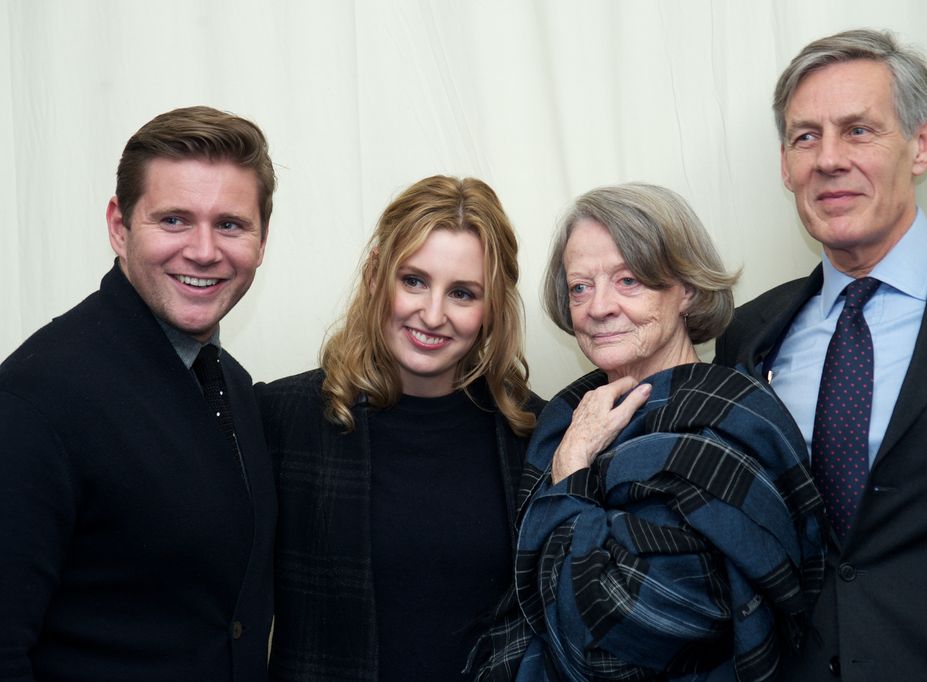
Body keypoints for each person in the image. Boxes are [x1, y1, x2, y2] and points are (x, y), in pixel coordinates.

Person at [715, 28, 927, 680]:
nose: (828, 159)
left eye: (858, 130)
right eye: (806, 136)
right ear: (785, 164)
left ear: (921, 145)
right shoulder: (749, 333)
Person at [472, 183, 826, 682]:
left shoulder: (725, 422)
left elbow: (615, 637)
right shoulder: (572, 414)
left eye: (629, 280)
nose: (598, 307)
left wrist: (572, 472)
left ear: (687, 290)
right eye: (580, 287)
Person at [0, 106, 277, 680]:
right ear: (119, 227)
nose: (204, 251)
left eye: (230, 224)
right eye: (174, 220)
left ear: (262, 239)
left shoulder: (236, 388)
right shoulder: (36, 397)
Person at [259, 175, 544, 681]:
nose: (432, 315)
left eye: (462, 293)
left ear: (492, 307)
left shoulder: (534, 435)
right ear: (375, 277)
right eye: (413, 280)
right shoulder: (282, 418)